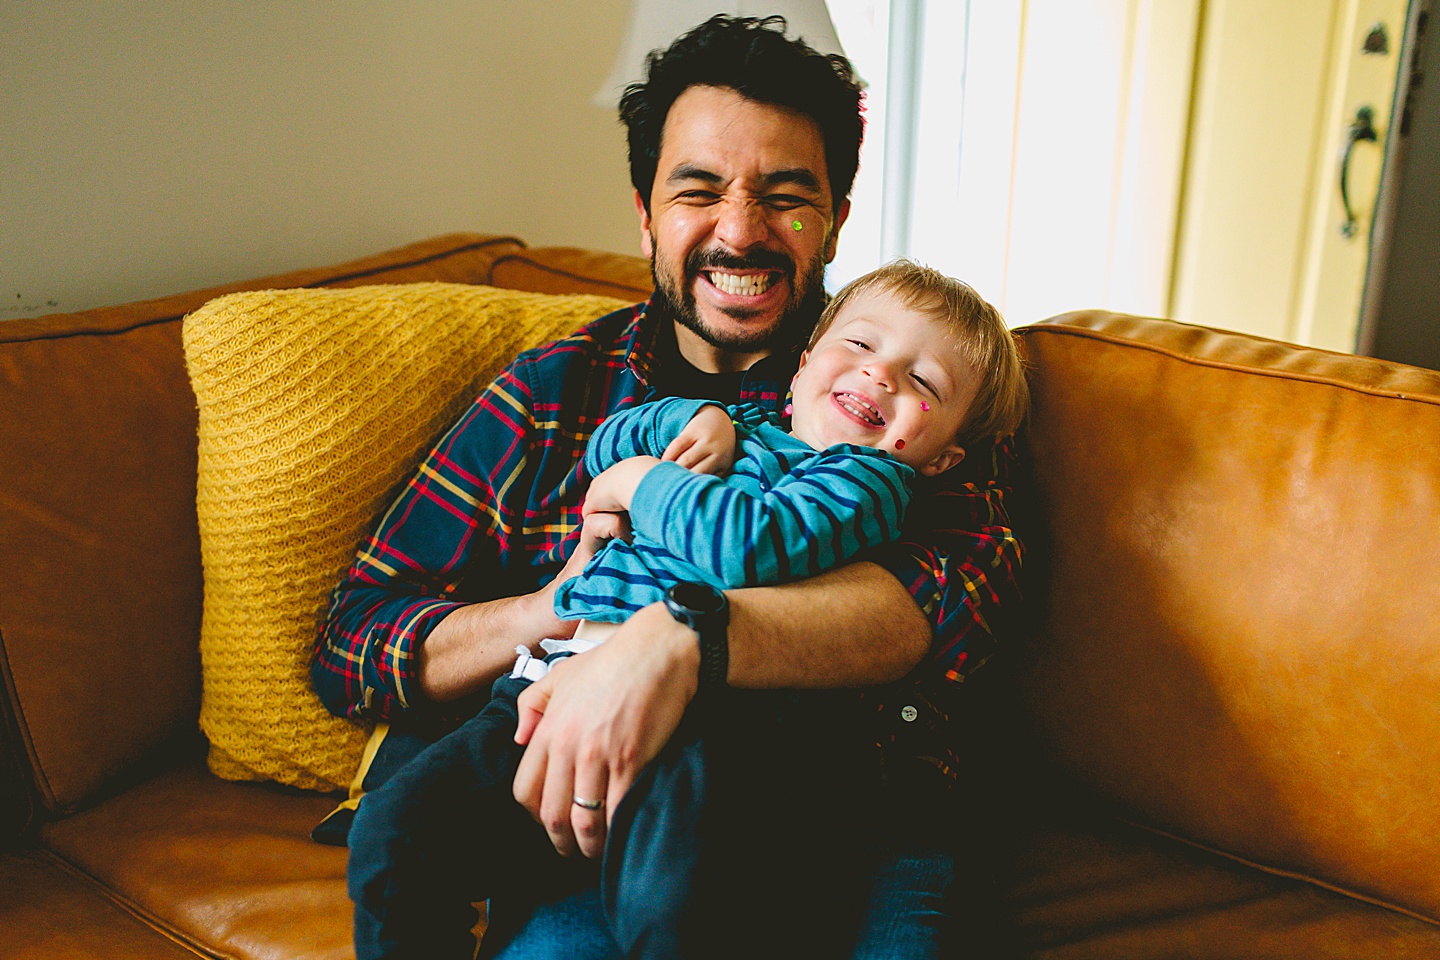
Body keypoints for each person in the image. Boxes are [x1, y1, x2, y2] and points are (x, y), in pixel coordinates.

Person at [313, 15, 1026, 959]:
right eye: (699, 190)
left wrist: (675, 634)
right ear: (646, 210)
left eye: (786, 196)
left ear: (837, 219)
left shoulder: (887, 410)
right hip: (569, 798)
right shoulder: (556, 391)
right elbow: (354, 638)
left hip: (818, 801)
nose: (740, 231)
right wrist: (557, 610)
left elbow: (950, 599)